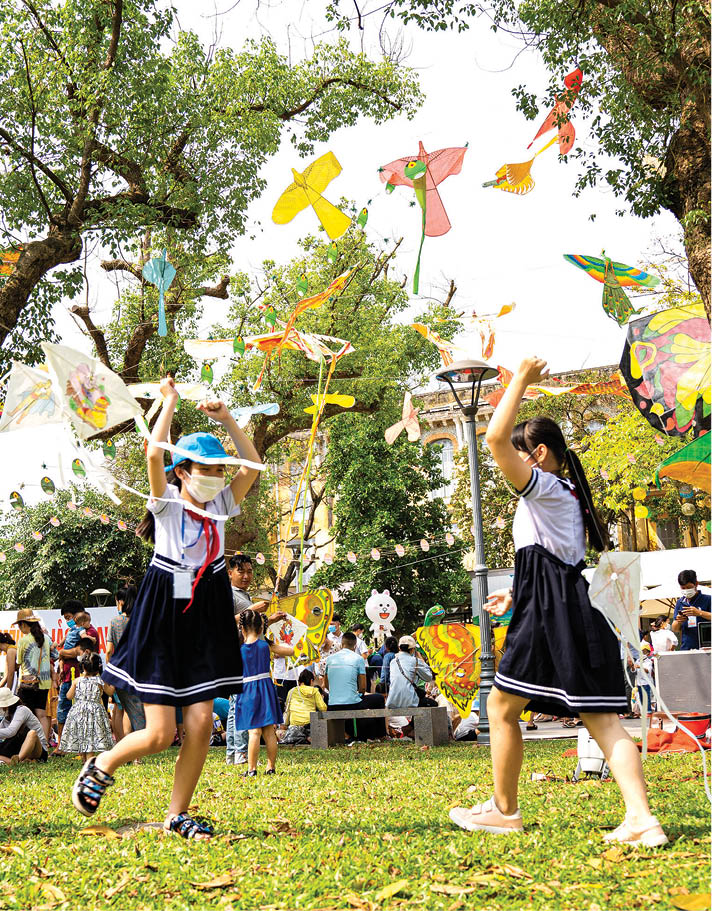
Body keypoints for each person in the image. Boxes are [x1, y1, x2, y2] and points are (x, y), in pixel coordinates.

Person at [449, 357, 668, 848]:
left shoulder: (544, 487)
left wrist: (521, 381)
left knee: (502, 706)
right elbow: (553, 565)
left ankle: (506, 811)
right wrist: (516, 593)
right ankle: (641, 818)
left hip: (552, 614)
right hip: (565, 606)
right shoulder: (562, 493)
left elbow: (492, 439)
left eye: (520, 452)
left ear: (539, 454)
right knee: (598, 717)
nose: (509, 459)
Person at [71, 377, 261, 841]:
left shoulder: (222, 503)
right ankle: (100, 765)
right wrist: (169, 402)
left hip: (206, 613)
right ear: (182, 471)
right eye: (205, 467)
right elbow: (153, 453)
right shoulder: (167, 503)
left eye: (218, 468)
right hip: (164, 611)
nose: (215, 474)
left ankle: (177, 814)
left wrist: (227, 419)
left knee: (198, 723)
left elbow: (252, 463)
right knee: (159, 734)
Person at [226, 554, 283, 765]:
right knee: (239, 705)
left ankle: (235, 753)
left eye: (250, 571)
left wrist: (268, 619)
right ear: (230, 573)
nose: (246, 575)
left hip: (247, 657)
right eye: (241, 571)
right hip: (238, 656)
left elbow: (249, 627)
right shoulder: (229, 595)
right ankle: (239, 752)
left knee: (236, 704)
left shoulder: (244, 595)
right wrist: (253, 610)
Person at [235, 609, 293, 777]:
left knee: (254, 732)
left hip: (248, 690)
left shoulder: (239, 649)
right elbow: (290, 651)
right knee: (269, 731)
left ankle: (251, 769)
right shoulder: (266, 646)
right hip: (266, 688)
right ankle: (270, 767)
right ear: (261, 629)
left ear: (243, 629)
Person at [326, 631, 385, 740]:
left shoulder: (330, 659)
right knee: (379, 698)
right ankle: (381, 735)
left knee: (354, 702)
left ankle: (349, 734)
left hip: (332, 704)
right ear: (355, 646)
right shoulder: (358, 659)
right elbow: (362, 687)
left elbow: (326, 684)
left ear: (341, 644)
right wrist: (357, 693)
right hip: (351, 703)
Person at [56, 601, 99, 749]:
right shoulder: (71, 632)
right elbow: (64, 648)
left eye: (68, 617)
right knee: (63, 709)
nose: (67, 621)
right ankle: (61, 745)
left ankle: (81, 745)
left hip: (81, 678)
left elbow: (77, 651)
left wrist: (61, 653)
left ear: (77, 616)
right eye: (66, 618)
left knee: (81, 713)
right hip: (68, 675)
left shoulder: (89, 632)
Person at [12, 609, 58, 742]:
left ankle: (26, 744)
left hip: (28, 683)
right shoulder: (46, 638)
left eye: (20, 625)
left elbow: (19, 662)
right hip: (44, 682)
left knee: (24, 714)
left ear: (24, 624)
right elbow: (54, 656)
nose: (20, 628)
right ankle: (43, 745)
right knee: (41, 715)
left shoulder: (23, 641)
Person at [106, 584, 145, 740]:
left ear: (121, 601)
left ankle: (124, 747)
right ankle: (137, 753)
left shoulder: (115, 622)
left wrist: (110, 672)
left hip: (120, 673)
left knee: (123, 708)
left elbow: (109, 650)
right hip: (140, 672)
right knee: (138, 711)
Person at [59, 654, 115, 763]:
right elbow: (110, 692)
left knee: (82, 734)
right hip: (95, 711)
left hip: (78, 711)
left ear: (83, 667)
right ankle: (89, 760)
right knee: (91, 735)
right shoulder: (100, 681)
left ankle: (85, 760)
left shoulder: (77, 681)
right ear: (98, 667)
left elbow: (69, 696)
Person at [0, 687, 48, 765]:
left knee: (32, 733)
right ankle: (18, 762)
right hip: (19, 747)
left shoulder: (22, 710)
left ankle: (19, 760)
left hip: (37, 749)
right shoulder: (7, 715)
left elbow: (11, 732)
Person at [386, 635, 435, 709]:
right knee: (434, 704)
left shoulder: (393, 662)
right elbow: (428, 677)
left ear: (399, 648)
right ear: (413, 649)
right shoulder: (415, 661)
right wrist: (421, 660)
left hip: (392, 701)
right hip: (410, 701)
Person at [281, 668, 327, 744]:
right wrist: (321, 700)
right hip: (310, 724)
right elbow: (323, 708)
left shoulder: (292, 691)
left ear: (299, 681)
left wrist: (285, 724)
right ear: (311, 681)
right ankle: (308, 738)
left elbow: (288, 710)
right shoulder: (314, 691)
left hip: (294, 726)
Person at [672, 571, 711, 651]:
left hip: (706, 648)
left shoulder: (708, 599)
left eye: (689, 587)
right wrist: (679, 621)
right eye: (683, 588)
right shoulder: (680, 602)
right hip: (686, 648)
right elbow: (675, 629)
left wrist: (699, 613)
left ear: (696, 584)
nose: (686, 590)